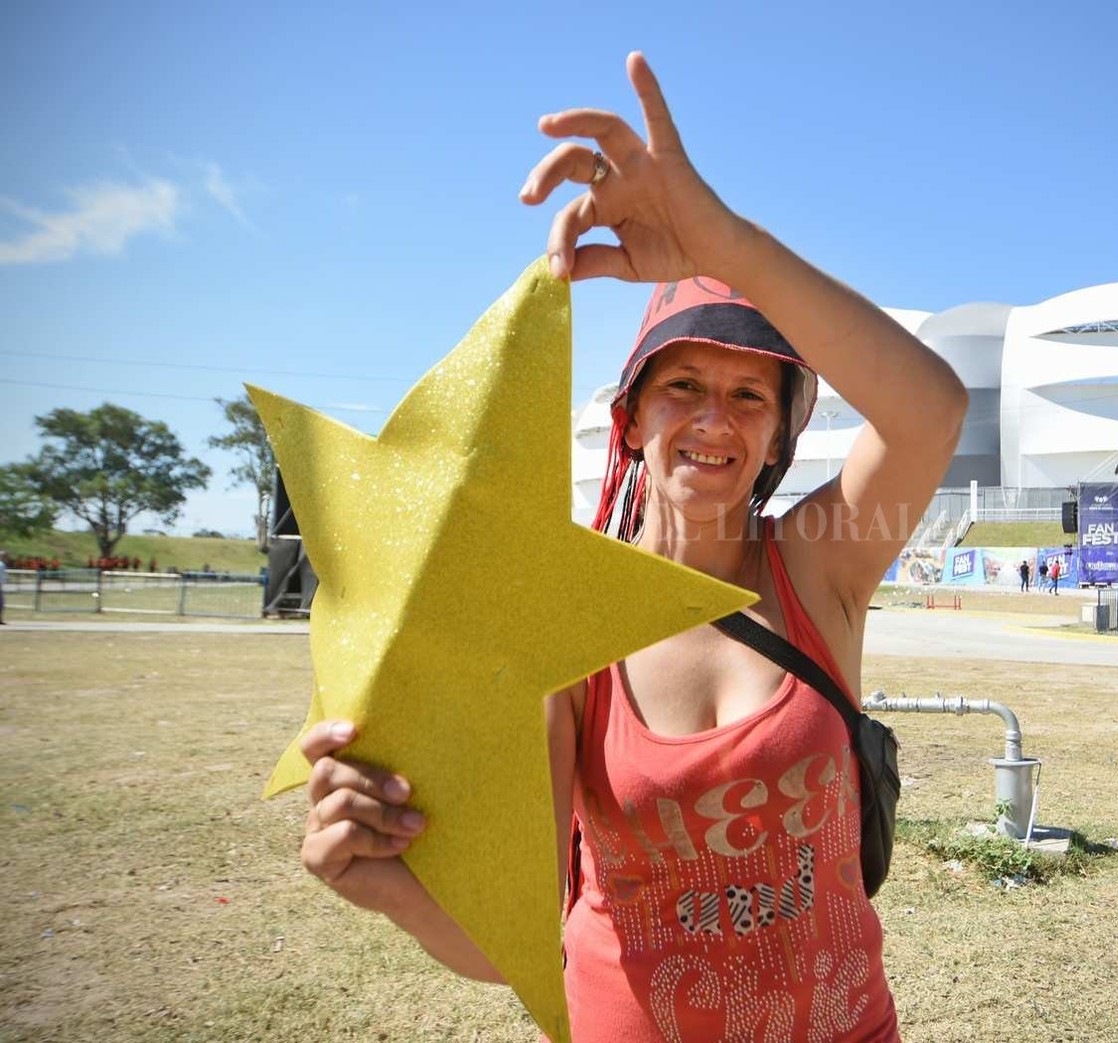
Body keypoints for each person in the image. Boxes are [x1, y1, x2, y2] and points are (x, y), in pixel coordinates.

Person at [294, 53, 966, 1042]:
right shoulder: (563, 626)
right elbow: (516, 929)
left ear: (778, 436)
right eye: (681, 385)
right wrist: (381, 879)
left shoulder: (816, 569)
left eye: (749, 395)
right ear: (632, 419)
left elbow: (930, 410)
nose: (713, 417)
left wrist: (724, 242)